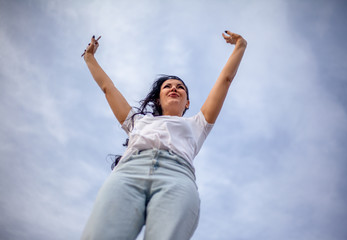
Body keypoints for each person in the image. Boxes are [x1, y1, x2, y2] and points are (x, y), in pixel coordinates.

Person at [81, 30, 247, 240]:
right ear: (158, 99)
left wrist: (240, 46)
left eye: (180, 87)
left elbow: (226, 79)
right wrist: (89, 58)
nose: (174, 89)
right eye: (167, 86)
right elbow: (107, 88)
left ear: (187, 102)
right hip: (128, 174)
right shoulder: (137, 121)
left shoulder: (198, 124)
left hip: (176, 178)